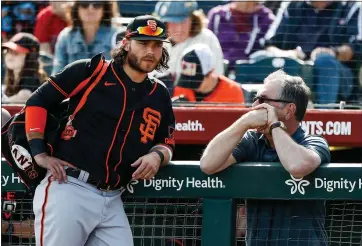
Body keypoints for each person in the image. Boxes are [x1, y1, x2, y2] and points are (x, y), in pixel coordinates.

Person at [24, 15, 175, 246]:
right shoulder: (91, 71)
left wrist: (157, 156)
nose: (151, 51)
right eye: (143, 43)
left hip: (113, 197)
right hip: (69, 187)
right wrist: (39, 153)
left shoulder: (160, 94)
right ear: (126, 43)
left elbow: (167, 140)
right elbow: (37, 101)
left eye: (157, 45)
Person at [200, 70, 331, 245]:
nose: (255, 105)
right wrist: (244, 122)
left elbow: (298, 166)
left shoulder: (313, 142)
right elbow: (208, 164)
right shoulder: (252, 141)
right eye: (255, 98)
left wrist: (274, 125)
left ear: (289, 110)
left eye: (263, 100)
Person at [263, 1, 361, 105]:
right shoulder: (291, 6)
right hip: (296, 66)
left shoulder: (352, 6)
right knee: (268, 60)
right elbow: (269, 46)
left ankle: (323, 115)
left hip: (338, 71)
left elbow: (356, 47)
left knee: (325, 61)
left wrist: (332, 52)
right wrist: (289, 54)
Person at [154, 0, 224, 85]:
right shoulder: (154, 41)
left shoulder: (207, 39)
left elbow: (215, 79)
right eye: (174, 22)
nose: (179, 28)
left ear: (193, 19)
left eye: (184, 21)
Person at [52, 1, 123, 74]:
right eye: (84, 4)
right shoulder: (66, 36)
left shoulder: (117, 36)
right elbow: (57, 73)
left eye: (97, 5)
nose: (90, 8)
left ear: (104, 8)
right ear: (76, 8)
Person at [207, 1, 275, 71]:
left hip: (248, 74)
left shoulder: (267, 18)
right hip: (218, 71)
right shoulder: (217, 15)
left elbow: (269, 46)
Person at [173, 43, 245, 105]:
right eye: (186, 78)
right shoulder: (181, 88)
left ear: (211, 72)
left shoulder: (233, 91)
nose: (190, 85)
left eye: (196, 79)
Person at [2, 32, 47, 104]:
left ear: (30, 57)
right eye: (8, 51)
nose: (10, 56)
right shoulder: (12, 76)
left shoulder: (33, 77)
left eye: (16, 53)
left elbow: (25, 95)